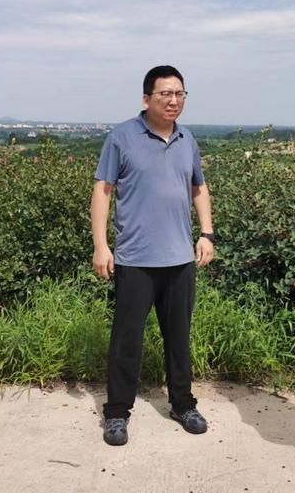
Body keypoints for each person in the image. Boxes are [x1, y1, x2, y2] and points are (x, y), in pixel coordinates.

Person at [92, 65, 215, 446]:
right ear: (147, 99)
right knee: (126, 340)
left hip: (179, 259)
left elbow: (199, 188)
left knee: (178, 338)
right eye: (165, 94)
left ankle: (183, 404)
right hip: (134, 259)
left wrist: (206, 233)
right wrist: (101, 245)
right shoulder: (122, 137)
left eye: (179, 94)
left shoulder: (187, 139)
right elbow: (102, 191)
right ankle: (117, 412)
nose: (173, 100)